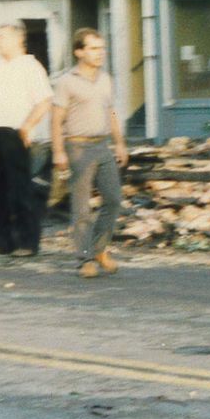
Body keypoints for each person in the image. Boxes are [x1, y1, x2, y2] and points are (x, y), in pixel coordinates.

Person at [51, 28, 129, 279]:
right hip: (78, 147)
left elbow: (111, 113)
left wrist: (119, 143)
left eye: (102, 48)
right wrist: (58, 151)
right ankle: (84, 258)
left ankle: (99, 250)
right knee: (81, 207)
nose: (100, 53)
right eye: (93, 48)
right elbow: (56, 120)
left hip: (102, 145)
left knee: (114, 199)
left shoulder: (106, 79)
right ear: (79, 52)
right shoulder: (66, 81)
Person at [0, 23, 54, 257]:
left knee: (20, 189)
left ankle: (27, 242)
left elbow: (45, 101)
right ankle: (2, 240)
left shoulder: (30, 66)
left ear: (19, 40)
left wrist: (28, 127)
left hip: (14, 132)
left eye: (3, 37)